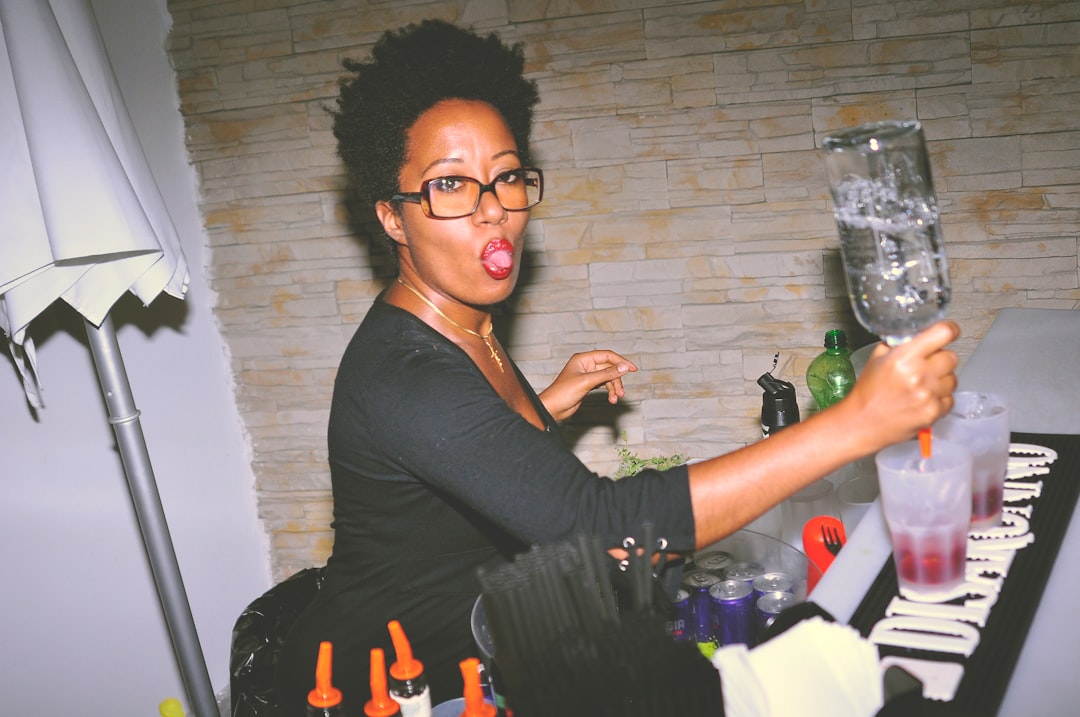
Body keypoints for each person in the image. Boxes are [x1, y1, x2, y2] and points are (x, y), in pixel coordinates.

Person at [275, 19, 959, 716]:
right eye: (450, 185)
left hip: (472, 664)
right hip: (387, 689)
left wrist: (544, 407)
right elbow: (606, 529)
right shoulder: (407, 374)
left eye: (506, 177)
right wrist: (855, 422)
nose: (493, 213)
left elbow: (466, 465)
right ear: (394, 216)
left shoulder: (459, 322)